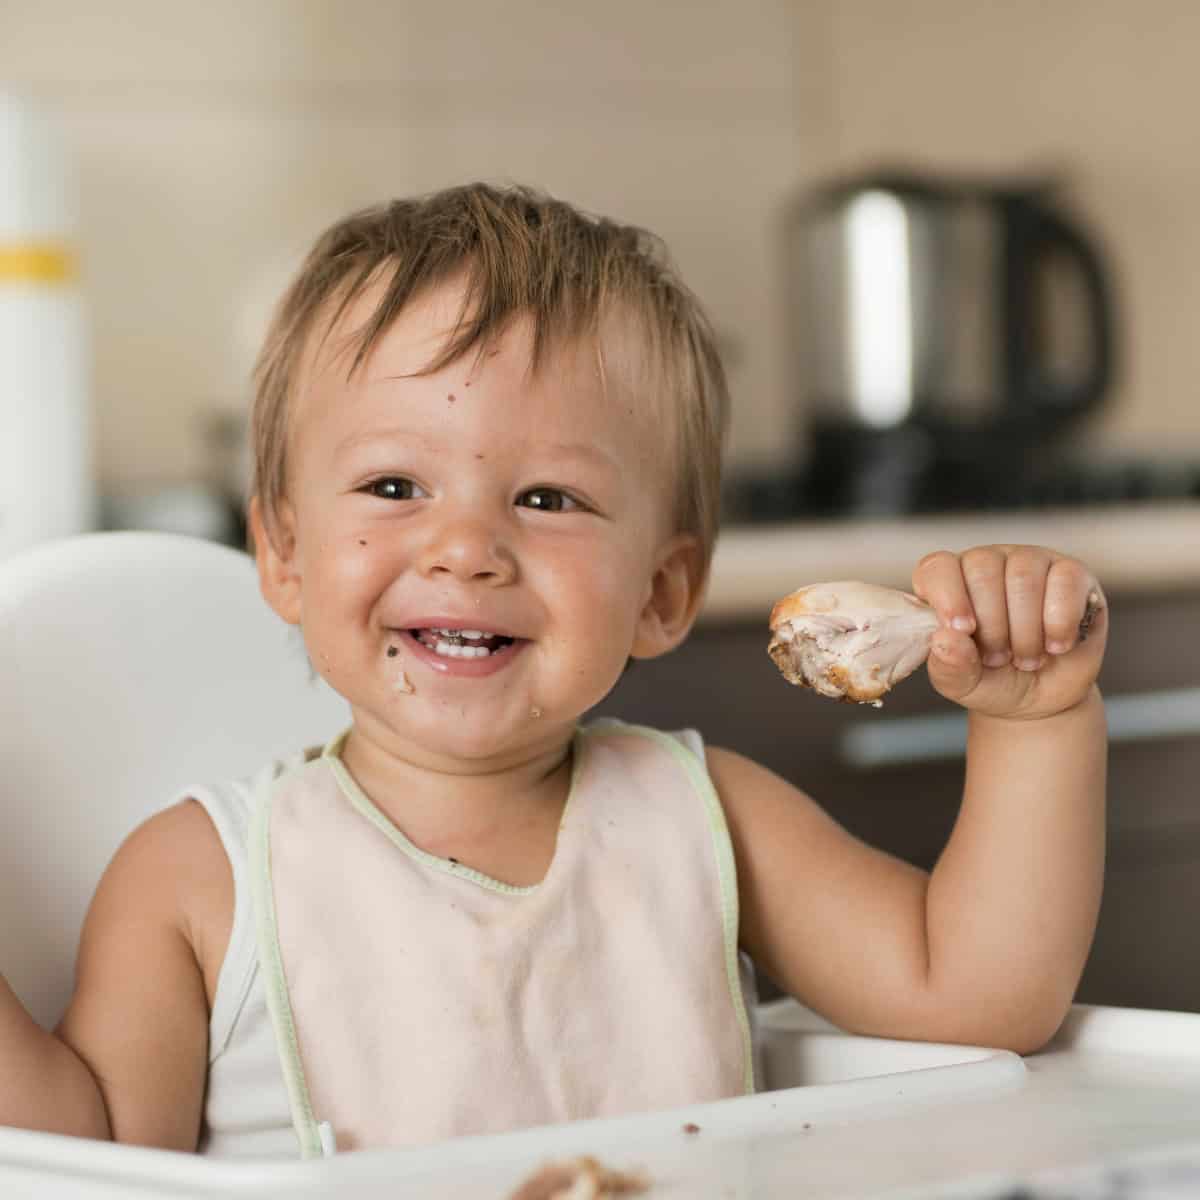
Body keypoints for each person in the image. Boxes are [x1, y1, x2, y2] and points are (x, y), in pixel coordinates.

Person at [0, 183, 1108, 1158]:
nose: (466, 548)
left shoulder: (707, 819)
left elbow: (979, 995)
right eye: (394, 487)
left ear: (663, 593)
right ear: (283, 555)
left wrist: (1037, 721)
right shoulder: (199, 883)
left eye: (547, 499)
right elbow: (90, 1151)